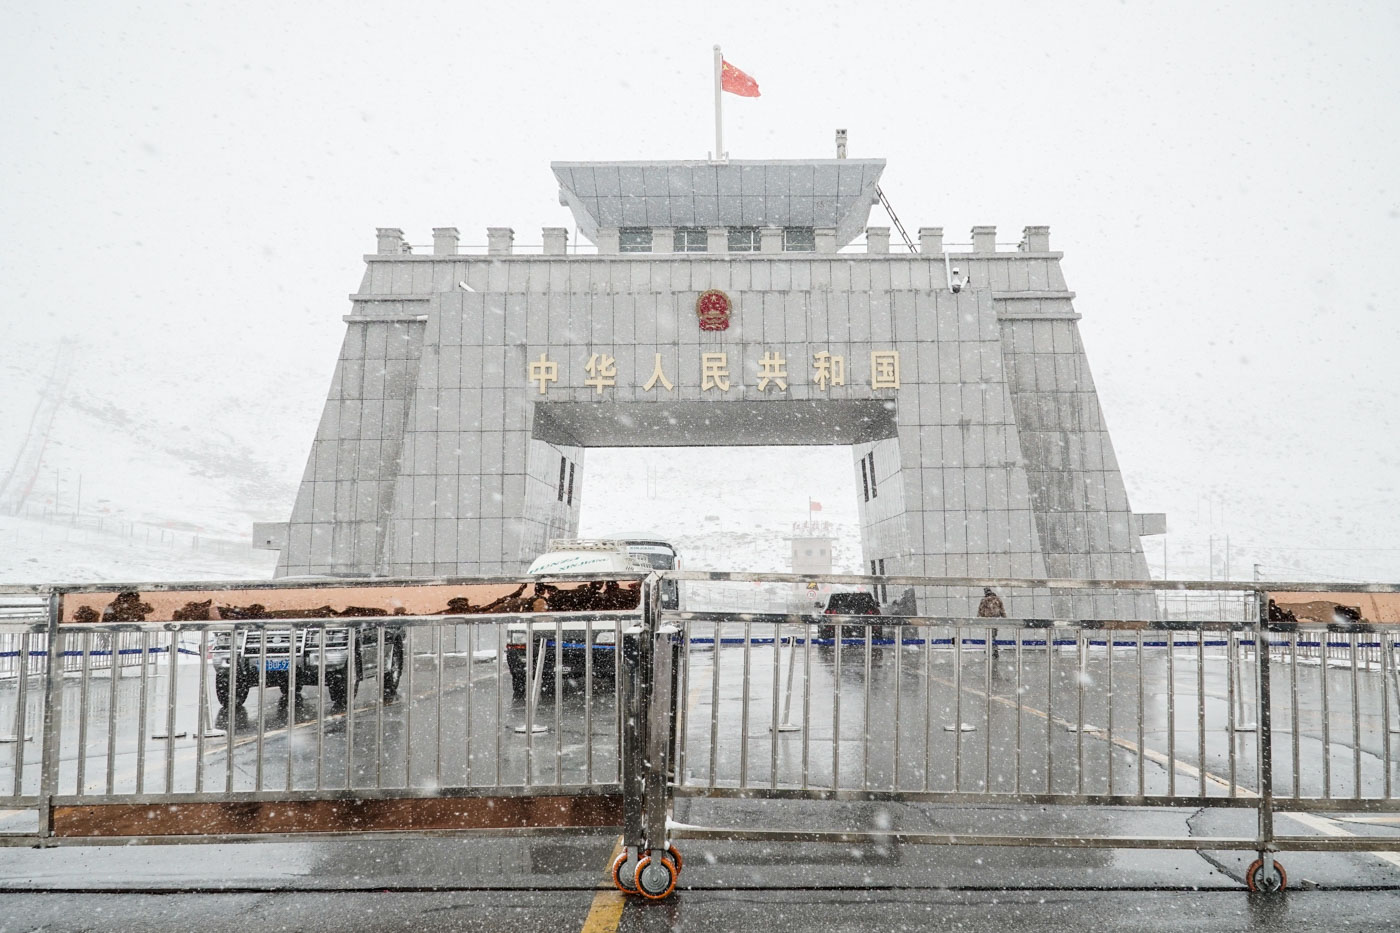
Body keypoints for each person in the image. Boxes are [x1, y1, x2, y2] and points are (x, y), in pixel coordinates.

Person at [978, 587, 1006, 658]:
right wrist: (1004, 617)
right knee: (993, 635)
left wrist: (979, 618)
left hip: (987, 620)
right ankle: (993, 650)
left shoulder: (984, 600)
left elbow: (980, 610)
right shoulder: (997, 599)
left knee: (989, 635)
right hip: (995, 620)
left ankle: (991, 649)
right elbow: (1002, 609)